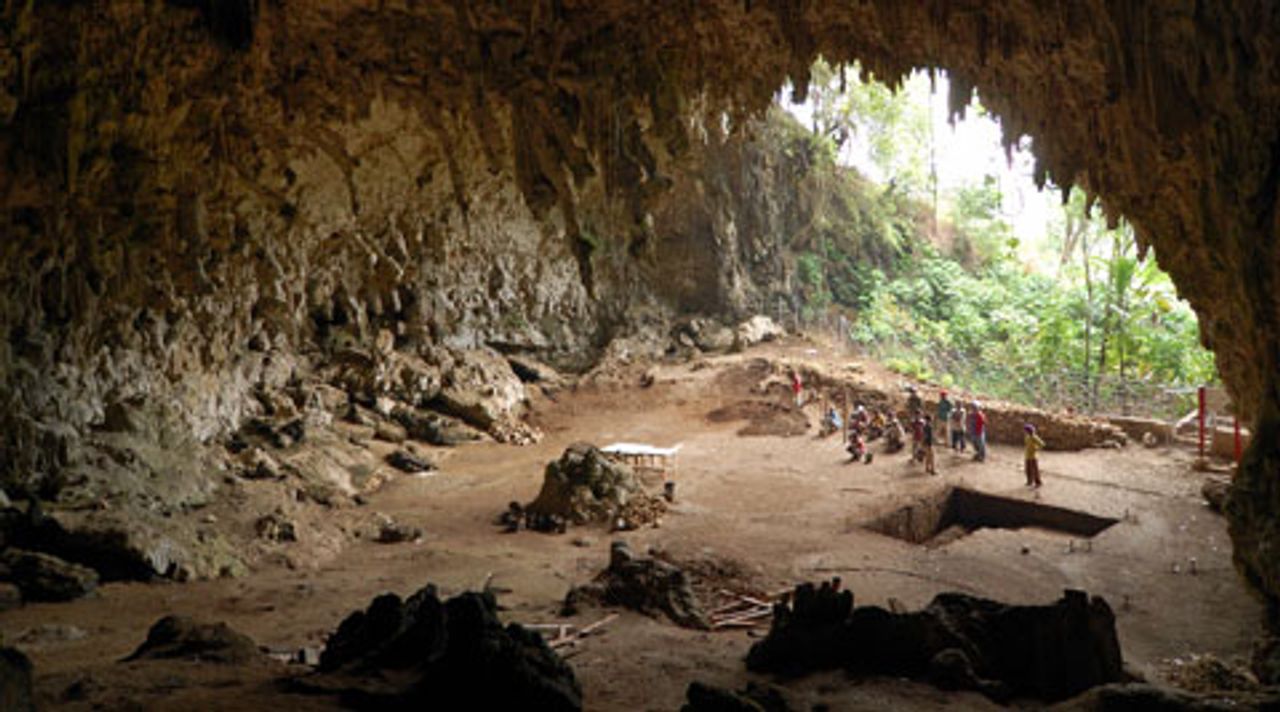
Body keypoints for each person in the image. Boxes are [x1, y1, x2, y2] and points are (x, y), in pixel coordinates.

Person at [1024, 423, 1045, 487]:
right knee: (1028, 469)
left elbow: (1042, 444)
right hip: (1027, 455)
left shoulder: (1034, 437)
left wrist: (1036, 449)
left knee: (1035, 469)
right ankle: (1029, 481)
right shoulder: (1027, 437)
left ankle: (1038, 482)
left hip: (1033, 456)